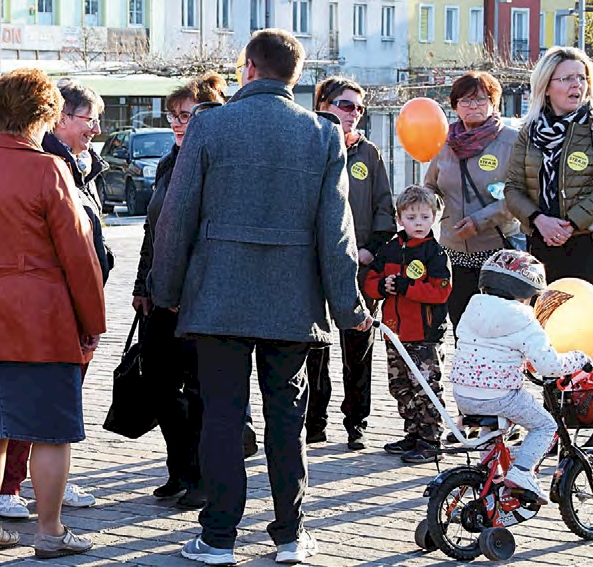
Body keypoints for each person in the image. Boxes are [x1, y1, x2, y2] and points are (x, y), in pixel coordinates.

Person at [151, 30, 371, 564]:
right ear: (294, 76)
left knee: (223, 418)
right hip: (291, 301)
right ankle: (291, 534)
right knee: (286, 419)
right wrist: (349, 307)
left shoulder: (210, 125)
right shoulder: (322, 134)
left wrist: (166, 290)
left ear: (248, 68)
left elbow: (177, 217)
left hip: (219, 295)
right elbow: (335, 233)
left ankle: (219, 537)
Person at [0, 67, 104, 559]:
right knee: (52, 431)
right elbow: (79, 256)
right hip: (41, 318)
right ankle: (51, 531)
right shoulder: (49, 170)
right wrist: (92, 322)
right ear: (44, 116)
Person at [504, 46, 593, 459]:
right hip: (544, 246)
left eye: (582, 78)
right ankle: (557, 423)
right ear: (547, 85)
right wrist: (539, 220)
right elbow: (511, 190)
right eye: (566, 78)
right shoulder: (529, 131)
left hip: (590, 246)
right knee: (548, 337)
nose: (576, 85)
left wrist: (571, 221)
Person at [0, 79, 108, 521]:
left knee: (60, 405)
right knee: (35, 403)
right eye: (87, 119)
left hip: (71, 300)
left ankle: (47, 480)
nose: (94, 128)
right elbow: (71, 247)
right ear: (57, 118)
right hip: (51, 304)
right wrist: (91, 318)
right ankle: (12, 488)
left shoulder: (83, 165)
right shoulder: (48, 166)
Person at [131, 74, 226, 511]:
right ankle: (179, 468)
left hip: (201, 294)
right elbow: (154, 230)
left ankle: (201, 477)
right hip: (161, 294)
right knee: (159, 383)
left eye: (186, 115)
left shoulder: (218, 163)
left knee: (201, 390)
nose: (177, 123)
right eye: (173, 115)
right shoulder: (170, 162)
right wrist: (141, 285)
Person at [450, 250, 591, 500]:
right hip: (501, 396)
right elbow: (549, 366)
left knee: (495, 425)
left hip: (464, 395)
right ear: (526, 291)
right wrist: (579, 359)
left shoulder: (472, 306)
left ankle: (489, 472)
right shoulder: (524, 318)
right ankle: (523, 471)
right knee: (545, 426)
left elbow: (491, 348)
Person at [304, 77, 396, 451]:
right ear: (323, 104)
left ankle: (356, 423)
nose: (353, 114)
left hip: (359, 264)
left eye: (359, 107)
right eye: (345, 105)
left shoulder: (369, 153)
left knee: (359, 347)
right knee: (315, 348)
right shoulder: (307, 144)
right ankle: (314, 423)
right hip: (313, 265)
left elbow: (384, 209)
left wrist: (371, 249)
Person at [424, 71, 521, 333]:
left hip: (496, 252)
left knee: (496, 331)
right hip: (453, 251)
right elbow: (431, 186)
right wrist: (426, 208)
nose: (473, 106)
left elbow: (519, 194)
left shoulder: (511, 141)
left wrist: (479, 221)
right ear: (455, 106)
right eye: (465, 101)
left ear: (493, 103)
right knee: (461, 327)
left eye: (480, 99)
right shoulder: (443, 142)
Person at [363, 186, 452, 464]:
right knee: (400, 385)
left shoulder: (435, 253)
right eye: (412, 217)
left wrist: (406, 286)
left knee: (425, 386)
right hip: (394, 332)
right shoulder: (390, 248)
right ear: (400, 219)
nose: (418, 223)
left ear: (434, 218)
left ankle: (430, 438)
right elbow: (370, 281)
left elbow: (440, 291)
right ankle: (413, 432)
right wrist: (382, 286)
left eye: (425, 217)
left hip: (424, 335)